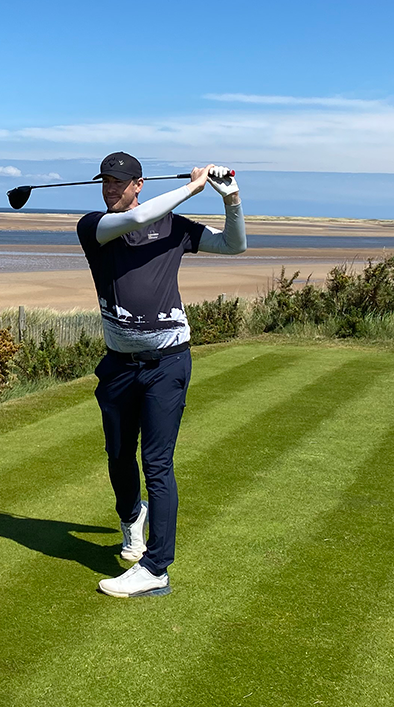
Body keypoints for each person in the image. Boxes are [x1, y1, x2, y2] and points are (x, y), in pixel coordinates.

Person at [78, 151, 246, 598]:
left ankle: (156, 567)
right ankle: (132, 518)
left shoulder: (174, 227)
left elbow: (234, 246)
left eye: (119, 182)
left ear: (139, 184)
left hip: (168, 363)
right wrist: (193, 187)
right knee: (118, 455)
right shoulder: (93, 226)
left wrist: (230, 199)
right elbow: (137, 219)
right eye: (105, 182)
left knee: (157, 463)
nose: (110, 189)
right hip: (118, 365)